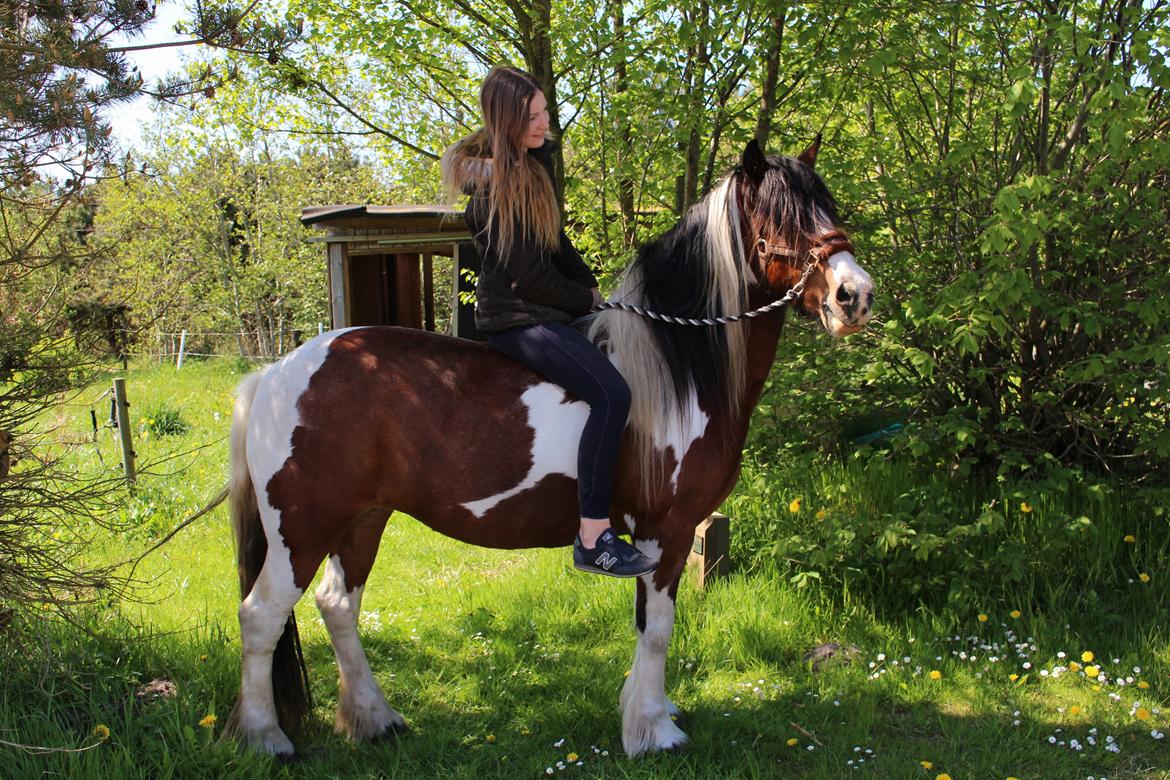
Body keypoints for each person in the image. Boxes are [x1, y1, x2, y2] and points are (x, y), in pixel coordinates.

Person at [441, 65, 656, 578]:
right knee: (612, 394)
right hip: (517, 320)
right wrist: (584, 299)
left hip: (546, 310)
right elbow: (529, 280)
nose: (545, 123)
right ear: (507, 119)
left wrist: (597, 291)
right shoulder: (496, 188)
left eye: (544, 112)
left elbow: (556, 245)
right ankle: (593, 535)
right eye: (533, 116)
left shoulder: (532, 168)